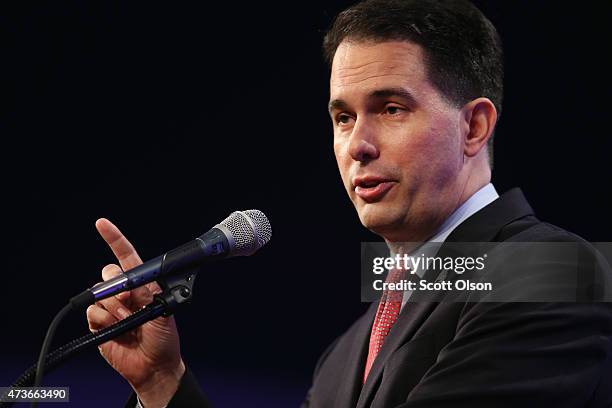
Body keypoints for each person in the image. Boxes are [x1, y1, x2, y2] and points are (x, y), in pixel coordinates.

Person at [86, 0, 612, 407]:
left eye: (390, 108)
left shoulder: (551, 274)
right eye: (343, 117)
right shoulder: (345, 355)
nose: (357, 144)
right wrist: (162, 382)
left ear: (474, 126)